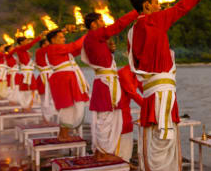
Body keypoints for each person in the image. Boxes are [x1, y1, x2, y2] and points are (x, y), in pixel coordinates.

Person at [128, 0, 211, 171]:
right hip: (161, 95)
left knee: (155, 141)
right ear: (147, 5)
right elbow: (183, 6)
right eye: (156, 1)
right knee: (164, 142)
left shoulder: (134, 29)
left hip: (154, 93)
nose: (160, 5)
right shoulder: (152, 21)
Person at [82, 9, 138, 161]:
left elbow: (102, 59)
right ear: (93, 24)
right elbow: (118, 25)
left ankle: (102, 151)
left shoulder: (93, 38)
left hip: (105, 83)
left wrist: (109, 51)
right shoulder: (93, 35)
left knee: (106, 119)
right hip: (106, 84)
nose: (104, 24)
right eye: (101, 21)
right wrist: (136, 12)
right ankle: (102, 153)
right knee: (105, 119)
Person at [46, 27, 88, 141]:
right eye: (60, 37)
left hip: (66, 78)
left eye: (63, 37)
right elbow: (74, 46)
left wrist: (88, 39)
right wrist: (89, 34)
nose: (63, 39)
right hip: (62, 79)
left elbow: (76, 50)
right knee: (67, 106)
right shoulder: (53, 48)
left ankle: (63, 134)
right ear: (53, 40)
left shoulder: (60, 49)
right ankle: (63, 135)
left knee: (70, 105)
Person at [117, 58, 144, 162]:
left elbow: (145, 90)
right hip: (116, 109)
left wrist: (157, 104)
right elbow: (133, 93)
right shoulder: (124, 73)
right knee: (121, 131)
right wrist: (150, 108)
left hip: (125, 109)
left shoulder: (137, 74)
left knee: (128, 130)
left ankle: (126, 161)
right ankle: (118, 162)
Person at [10, 34, 44, 110]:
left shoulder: (23, 50)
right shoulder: (20, 49)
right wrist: (39, 37)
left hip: (29, 73)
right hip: (25, 73)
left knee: (32, 89)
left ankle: (28, 105)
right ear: (21, 42)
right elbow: (30, 45)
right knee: (25, 90)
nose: (27, 42)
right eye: (25, 41)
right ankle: (25, 105)